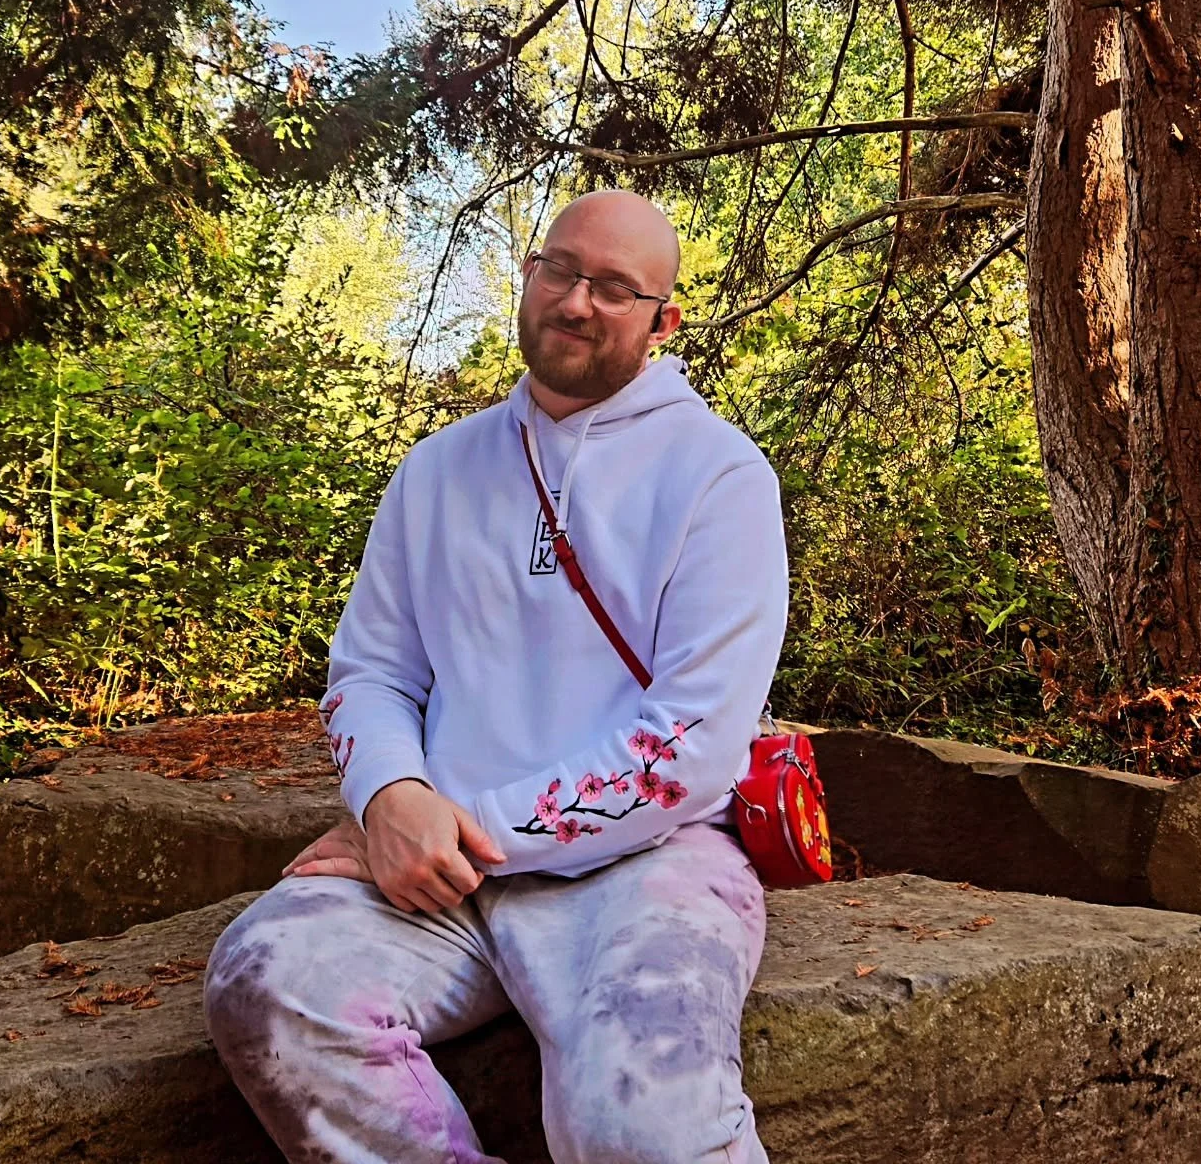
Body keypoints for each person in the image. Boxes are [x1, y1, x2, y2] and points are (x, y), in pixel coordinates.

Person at [204, 189, 789, 1164]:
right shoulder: (436, 471)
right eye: (560, 269)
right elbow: (373, 671)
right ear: (529, 274)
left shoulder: (720, 475)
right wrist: (392, 796)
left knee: (634, 1121)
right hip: (449, 880)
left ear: (663, 319)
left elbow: (689, 743)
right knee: (269, 980)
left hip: (651, 864)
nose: (576, 301)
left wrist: (454, 825)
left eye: (615, 287)